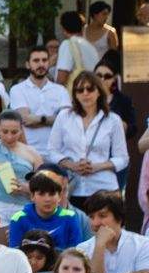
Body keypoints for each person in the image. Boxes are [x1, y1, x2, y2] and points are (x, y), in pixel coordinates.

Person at [44, 70, 127, 201]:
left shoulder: (113, 120)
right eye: (80, 90)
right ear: (75, 95)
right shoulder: (64, 117)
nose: (85, 93)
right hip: (72, 188)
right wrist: (71, 164)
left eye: (90, 89)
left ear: (99, 91)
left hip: (104, 188)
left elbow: (122, 158)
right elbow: (52, 151)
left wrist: (97, 166)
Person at [3, 168, 86, 253]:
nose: (47, 199)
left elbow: (75, 254)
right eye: (41, 194)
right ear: (32, 196)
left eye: (52, 194)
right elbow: (15, 256)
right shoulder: (18, 218)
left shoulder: (70, 217)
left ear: (60, 197)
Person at [5, 44, 71, 130]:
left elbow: (67, 120)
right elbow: (26, 120)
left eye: (44, 60)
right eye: (36, 61)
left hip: (55, 143)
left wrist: (40, 119)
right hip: (27, 143)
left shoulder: (61, 90)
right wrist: (53, 119)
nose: (41, 64)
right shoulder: (17, 90)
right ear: (28, 65)